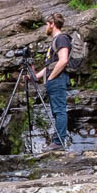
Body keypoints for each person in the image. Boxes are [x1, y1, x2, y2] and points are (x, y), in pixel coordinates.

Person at [34, 13, 71, 148]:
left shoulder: (61, 39)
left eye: (46, 25)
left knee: (59, 110)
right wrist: (36, 76)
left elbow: (63, 60)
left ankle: (58, 142)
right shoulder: (56, 41)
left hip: (58, 79)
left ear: (52, 25)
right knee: (57, 111)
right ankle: (58, 140)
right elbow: (50, 66)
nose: (45, 27)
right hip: (55, 79)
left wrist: (50, 78)